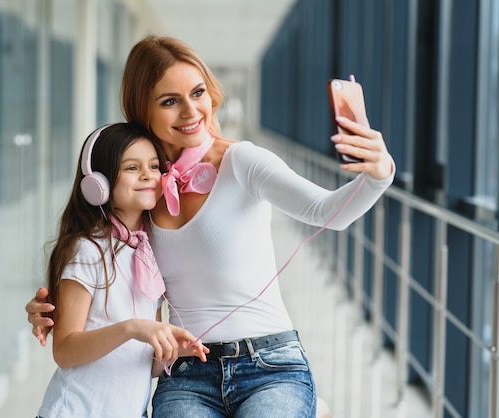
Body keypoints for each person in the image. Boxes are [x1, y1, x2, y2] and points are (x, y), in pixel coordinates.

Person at [27, 36, 395, 418]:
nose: (191, 111)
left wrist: (379, 175)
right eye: (170, 101)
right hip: (187, 372)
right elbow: (100, 265)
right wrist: (47, 309)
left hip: (270, 363)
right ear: (143, 112)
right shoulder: (143, 191)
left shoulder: (242, 161)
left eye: (197, 92)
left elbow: (327, 212)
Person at [35, 122, 208, 418]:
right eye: (132, 168)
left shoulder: (146, 255)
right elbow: (64, 351)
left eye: (154, 166)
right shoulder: (87, 249)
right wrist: (132, 328)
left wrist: (171, 350)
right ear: (98, 182)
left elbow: (144, 363)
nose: (148, 175)